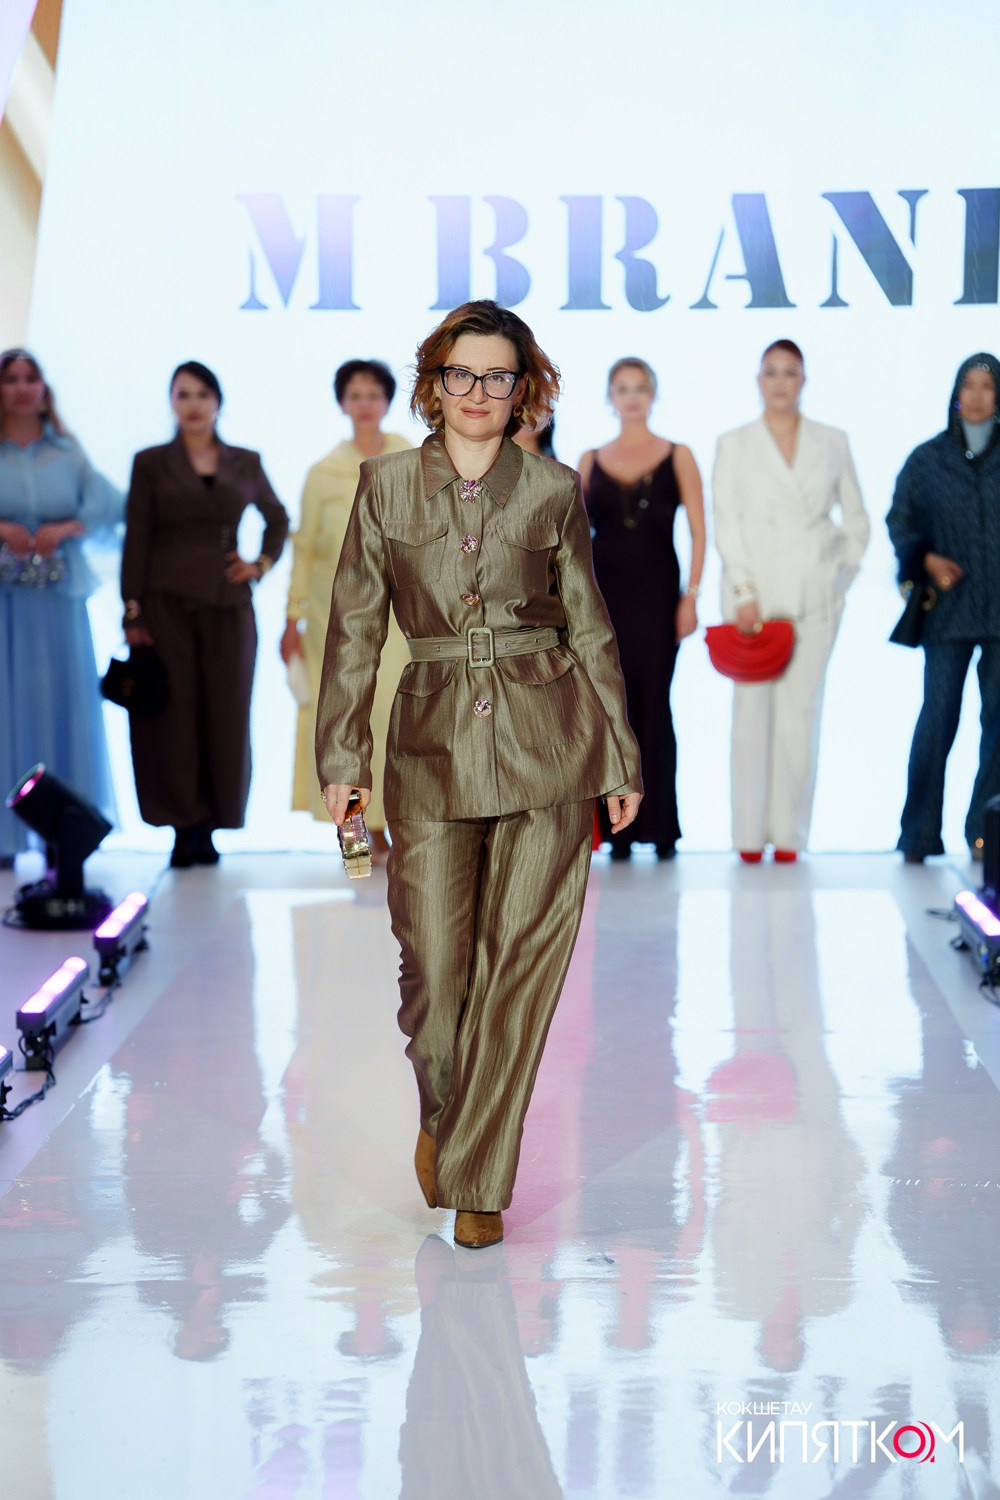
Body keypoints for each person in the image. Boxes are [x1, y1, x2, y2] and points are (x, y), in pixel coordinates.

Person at [316, 299, 641, 1250]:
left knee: (519, 971)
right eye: (462, 373)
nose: (478, 392)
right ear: (434, 382)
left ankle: (478, 1180)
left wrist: (619, 755)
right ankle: (449, 1118)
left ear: (523, 390)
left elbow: (589, 627)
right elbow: (353, 630)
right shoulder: (385, 487)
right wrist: (342, 758)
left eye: (499, 376)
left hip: (552, 747)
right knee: (434, 971)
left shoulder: (551, 489)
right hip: (430, 751)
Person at [121, 361, 288, 867]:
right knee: (172, 716)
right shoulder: (151, 462)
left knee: (226, 713)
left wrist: (259, 564)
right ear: (172, 403)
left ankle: (213, 825)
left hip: (228, 605)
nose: (192, 404)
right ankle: (182, 827)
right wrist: (132, 611)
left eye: (201, 394)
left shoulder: (245, 461)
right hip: (164, 603)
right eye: (182, 395)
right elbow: (137, 537)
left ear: (217, 401)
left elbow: (277, 518)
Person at [712, 340, 868, 862]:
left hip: (814, 596)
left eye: (790, 372)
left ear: (804, 380)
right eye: (771, 372)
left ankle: (789, 836)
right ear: (759, 380)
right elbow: (726, 522)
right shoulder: (734, 443)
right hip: (752, 595)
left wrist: (839, 577)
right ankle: (748, 836)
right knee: (751, 719)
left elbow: (857, 519)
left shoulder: (832, 440)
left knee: (801, 716)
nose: (780, 382)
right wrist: (743, 591)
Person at [281, 360, 411, 852]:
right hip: (332, 615)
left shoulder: (413, 458)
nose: (364, 404)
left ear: (387, 401)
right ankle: (356, 833)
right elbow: (304, 547)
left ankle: (399, 827)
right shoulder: (323, 472)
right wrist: (292, 618)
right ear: (342, 403)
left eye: (373, 394)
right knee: (344, 723)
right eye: (355, 395)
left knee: (394, 716)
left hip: (398, 611)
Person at [578, 358, 705, 859]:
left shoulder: (678, 455)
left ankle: (661, 827)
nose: (632, 397)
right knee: (613, 712)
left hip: (658, 598)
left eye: (640, 388)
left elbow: (698, 530)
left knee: (654, 706)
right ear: (610, 398)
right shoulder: (589, 460)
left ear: (653, 394)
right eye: (622, 388)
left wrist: (691, 596)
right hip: (604, 602)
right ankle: (619, 833)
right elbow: (572, 538)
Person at [0, 348, 121, 862]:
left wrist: (68, 526)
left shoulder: (67, 453)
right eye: (11, 379)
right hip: (5, 605)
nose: (22, 388)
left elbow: (110, 507)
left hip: (58, 603)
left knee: (63, 704)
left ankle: (64, 832)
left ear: (44, 388)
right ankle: (5, 837)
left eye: (31, 378)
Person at [887, 352, 1000, 863]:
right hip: (949, 610)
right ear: (956, 394)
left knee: (998, 725)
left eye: (987, 386)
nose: (976, 396)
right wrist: (927, 560)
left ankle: (985, 834)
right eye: (968, 385)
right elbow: (901, 521)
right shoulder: (927, 459)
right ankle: (918, 833)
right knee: (937, 719)